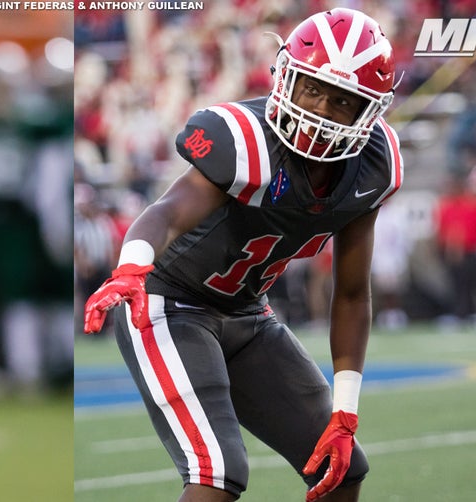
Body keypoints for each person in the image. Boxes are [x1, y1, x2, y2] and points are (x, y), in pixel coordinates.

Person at [84, 8, 402, 502]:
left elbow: (353, 295)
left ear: (369, 110)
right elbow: (167, 212)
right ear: (285, 78)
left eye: (342, 101)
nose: (319, 109)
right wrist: (130, 267)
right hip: (170, 304)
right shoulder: (245, 138)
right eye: (311, 88)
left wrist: (345, 410)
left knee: (343, 467)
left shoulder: (373, 167)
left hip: (248, 315)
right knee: (218, 471)